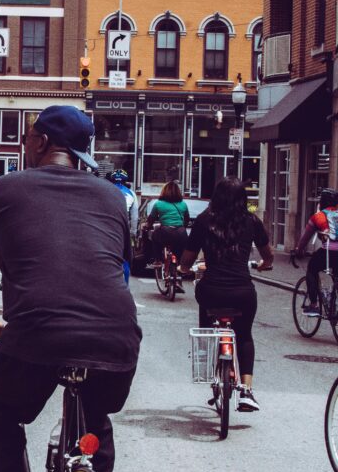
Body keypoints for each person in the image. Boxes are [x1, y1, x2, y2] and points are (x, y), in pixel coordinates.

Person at [0, 106, 141, 472]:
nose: (25, 144)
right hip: (117, 337)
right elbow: (110, 267)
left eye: (28, 137)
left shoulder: (7, 188)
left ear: (43, 142)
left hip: (39, 331)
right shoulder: (112, 197)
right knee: (93, 418)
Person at [180, 176, 273, 412]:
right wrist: (263, 264)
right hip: (243, 291)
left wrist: (183, 268)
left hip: (211, 290)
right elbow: (268, 256)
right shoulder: (252, 222)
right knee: (244, 336)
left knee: (207, 323)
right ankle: (247, 391)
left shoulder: (203, 221)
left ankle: (209, 357)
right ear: (244, 199)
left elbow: (187, 258)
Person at [295, 188, 338, 316]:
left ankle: (313, 305)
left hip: (329, 251)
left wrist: (298, 250)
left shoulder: (318, 217)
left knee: (312, 269)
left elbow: (305, 238)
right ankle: (332, 303)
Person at [145, 180, 191, 292]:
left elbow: (151, 219)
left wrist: (147, 226)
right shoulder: (183, 204)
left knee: (155, 236)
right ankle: (178, 279)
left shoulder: (158, 204)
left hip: (165, 231)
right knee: (179, 255)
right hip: (181, 233)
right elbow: (187, 219)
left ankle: (157, 260)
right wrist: (182, 227)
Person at [109, 169, 139, 284]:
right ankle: (125, 285)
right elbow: (134, 216)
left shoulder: (106, 191)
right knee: (125, 259)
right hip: (123, 229)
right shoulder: (131, 194)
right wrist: (133, 233)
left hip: (107, 227)